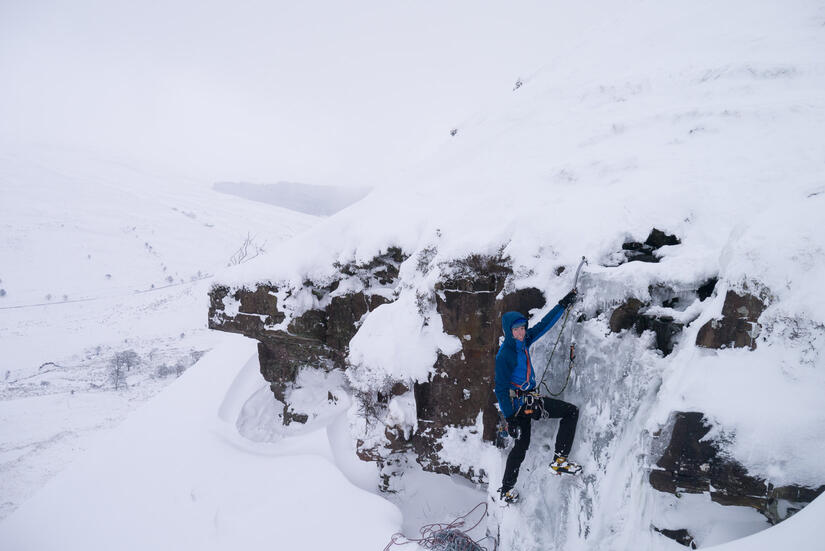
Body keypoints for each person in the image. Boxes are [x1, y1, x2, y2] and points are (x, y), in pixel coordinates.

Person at [494, 289, 581, 504]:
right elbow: (501, 388)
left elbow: (544, 325)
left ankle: (509, 488)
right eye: (517, 329)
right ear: (509, 331)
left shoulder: (524, 341)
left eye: (523, 328)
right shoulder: (505, 354)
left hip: (528, 402)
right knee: (569, 413)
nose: (522, 332)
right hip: (519, 406)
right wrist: (510, 418)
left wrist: (562, 304)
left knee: (523, 446)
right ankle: (557, 461)